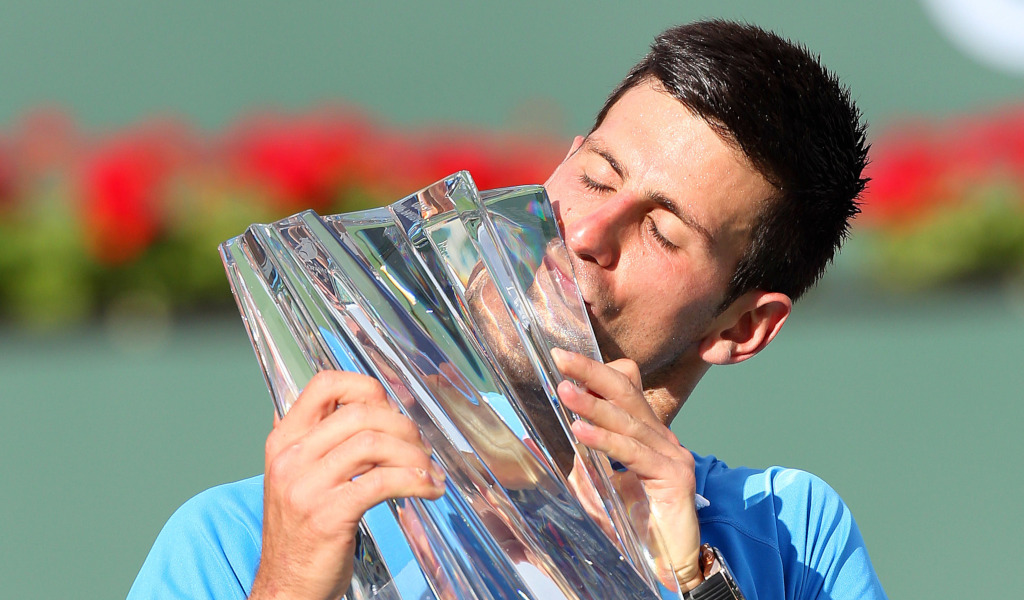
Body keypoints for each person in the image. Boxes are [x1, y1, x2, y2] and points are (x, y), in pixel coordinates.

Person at [128, 20, 886, 600]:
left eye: (662, 231)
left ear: (741, 327)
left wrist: (690, 585)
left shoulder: (793, 540)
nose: (584, 233)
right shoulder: (251, 541)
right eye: (595, 177)